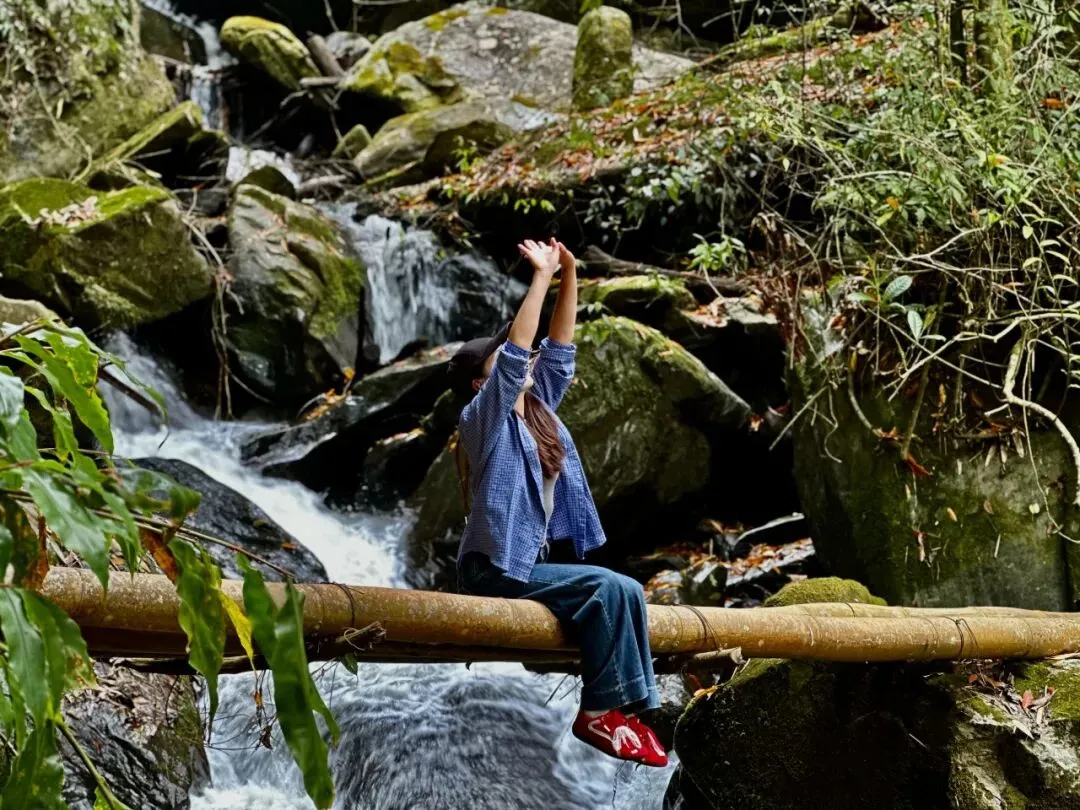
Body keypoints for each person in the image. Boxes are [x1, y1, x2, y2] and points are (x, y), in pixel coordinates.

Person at [447, 237, 668, 768]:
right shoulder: (482, 420)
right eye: (507, 355)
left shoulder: (539, 407)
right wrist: (540, 276)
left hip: (527, 565)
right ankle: (597, 712)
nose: (524, 356)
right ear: (481, 383)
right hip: (491, 569)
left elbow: (560, 346)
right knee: (607, 587)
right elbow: (516, 357)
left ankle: (630, 710)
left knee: (627, 589)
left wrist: (570, 273)